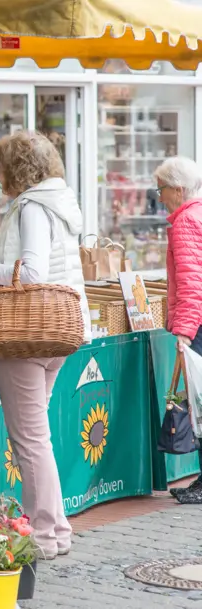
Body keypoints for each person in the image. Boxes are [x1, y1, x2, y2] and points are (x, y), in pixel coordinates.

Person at [0, 131, 91, 559]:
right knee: (39, 438)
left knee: (30, 441)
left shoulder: (32, 208)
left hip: (23, 338)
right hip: (54, 334)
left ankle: (42, 534)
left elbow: (30, 273)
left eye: (1, 165)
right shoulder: (57, 204)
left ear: (18, 169)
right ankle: (56, 528)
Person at [154, 156, 202, 505]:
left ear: (179, 189)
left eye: (163, 189)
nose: (160, 196)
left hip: (198, 323)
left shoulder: (186, 221)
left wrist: (183, 331)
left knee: (199, 401)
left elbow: (191, 283)